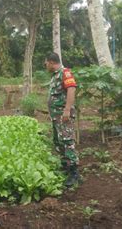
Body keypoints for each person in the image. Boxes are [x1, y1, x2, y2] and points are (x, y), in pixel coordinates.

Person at [44, 52, 79, 187]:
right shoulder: (54, 76)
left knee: (67, 141)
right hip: (56, 116)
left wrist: (67, 110)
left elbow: (71, 90)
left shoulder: (65, 73)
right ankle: (66, 167)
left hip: (63, 116)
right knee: (58, 141)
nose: (45, 66)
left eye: (46, 63)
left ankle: (74, 173)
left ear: (52, 62)